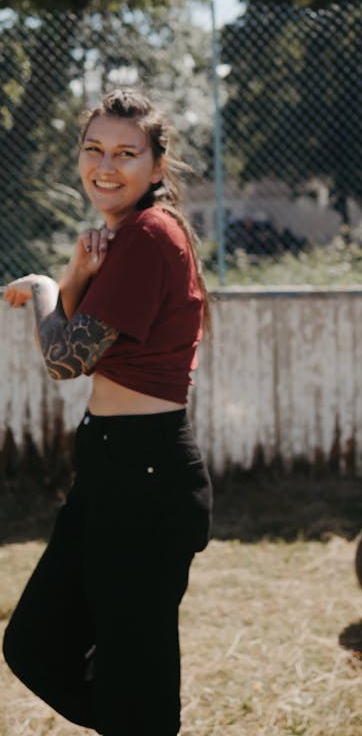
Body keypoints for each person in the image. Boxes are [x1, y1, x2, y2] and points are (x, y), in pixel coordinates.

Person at [2, 88, 213, 736]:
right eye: (93, 148)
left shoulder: (150, 235)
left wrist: (41, 289)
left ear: (156, 165)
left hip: (145, 478)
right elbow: (80, 336)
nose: (105, 164)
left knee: (131, 675)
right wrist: (71, 270)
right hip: (113, 469)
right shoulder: (122, 238)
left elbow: (67, 358)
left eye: (126, 152)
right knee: (36, 644)